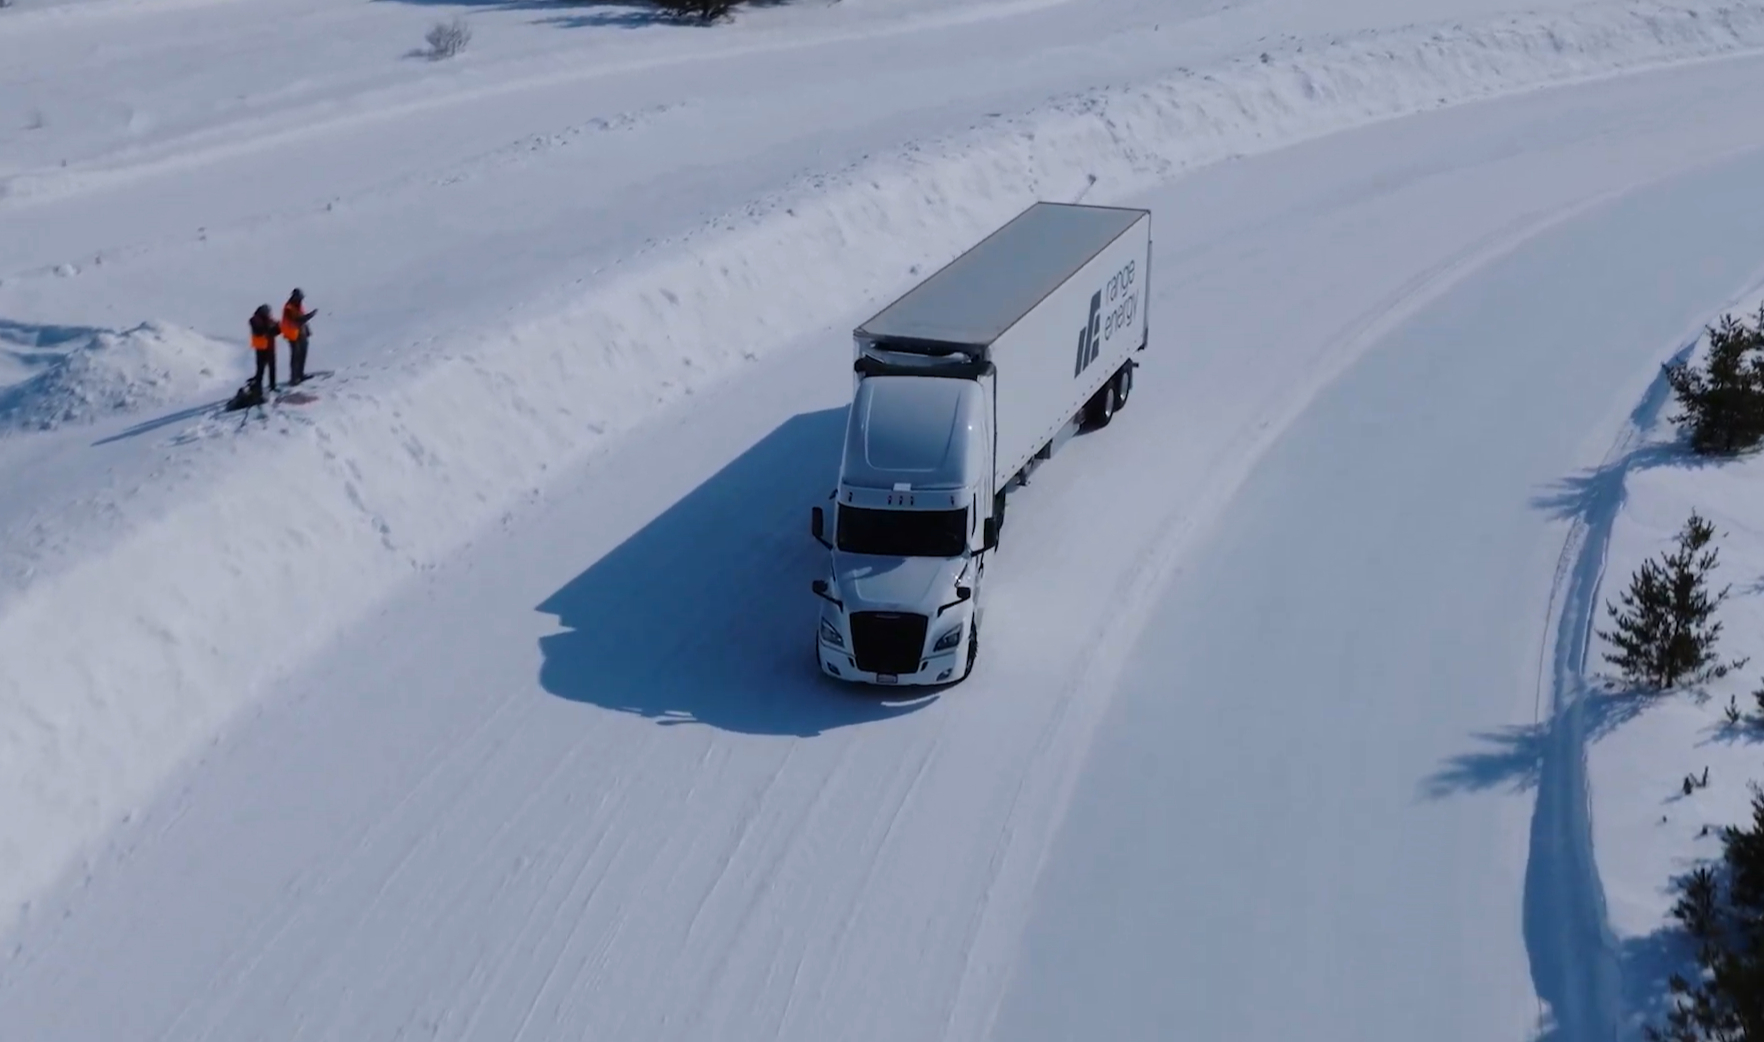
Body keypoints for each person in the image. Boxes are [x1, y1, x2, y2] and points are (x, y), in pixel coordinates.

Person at [281, 288, 317, 385]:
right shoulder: (289, 308)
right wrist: (310, 315)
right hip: (293, 336)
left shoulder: (298, 306)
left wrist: (307, 331)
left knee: (302, 355)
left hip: (301, 334)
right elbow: (298, 320)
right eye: (300, 298)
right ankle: (294, 378)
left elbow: (301, 320)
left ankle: (300, 375)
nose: (301, 300)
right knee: (295, 356)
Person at [249, 304, 279, 394]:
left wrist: (276, 327)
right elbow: (259, 330)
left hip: (270, 347)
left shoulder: (269, 320)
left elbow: (276, 331)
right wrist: (270, 327)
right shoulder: (254, 319)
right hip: (261, 348)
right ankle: (258, 388)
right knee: (260, 369)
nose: (269, 314)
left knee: (272, 368)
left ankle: (273, 386)